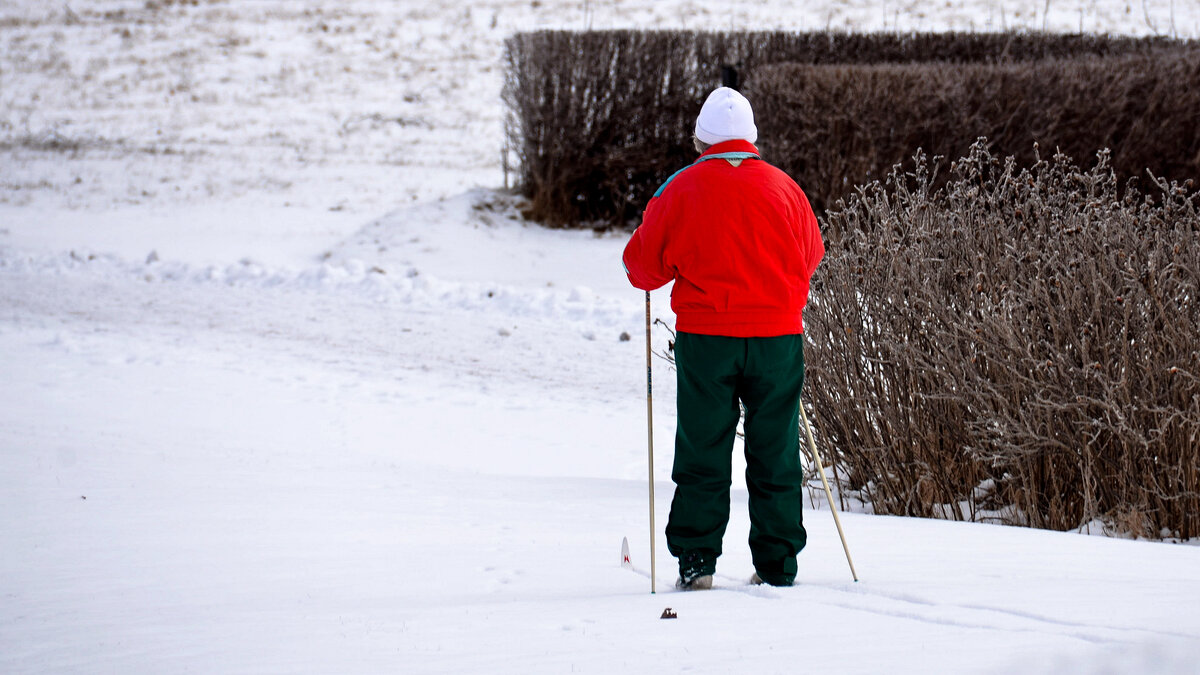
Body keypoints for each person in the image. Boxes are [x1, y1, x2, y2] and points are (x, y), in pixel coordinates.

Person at [622, 86, 825, 589]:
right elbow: (812, 255)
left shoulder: (680, 189)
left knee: (702, 448)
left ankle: (697, 563)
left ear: (701, 138)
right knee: (775, 448)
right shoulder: (786, 189)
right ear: (751, 136)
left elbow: (642, 269)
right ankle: (778, 566)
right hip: (777, 339)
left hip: (707, 339)